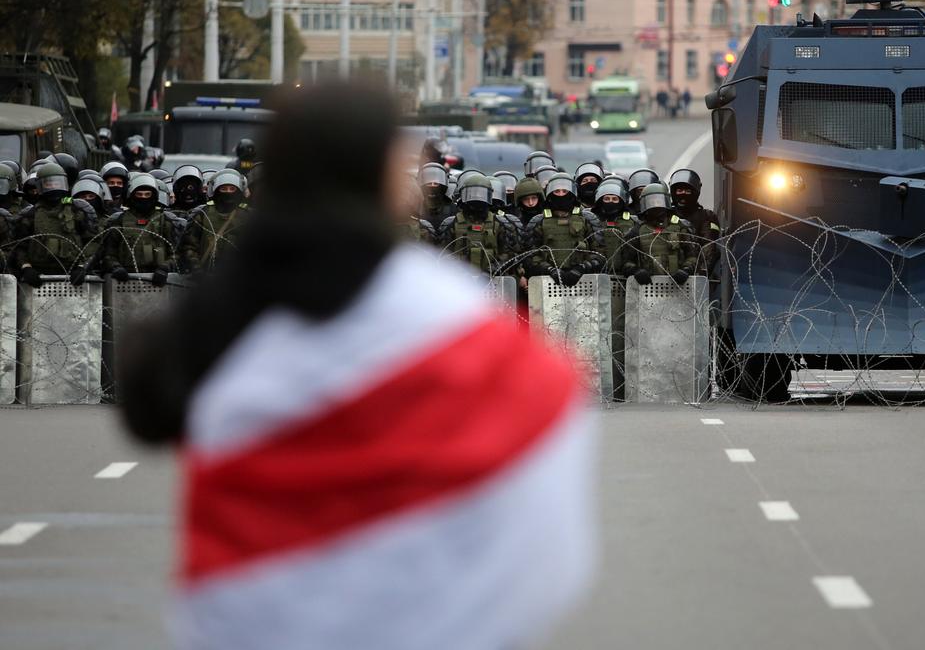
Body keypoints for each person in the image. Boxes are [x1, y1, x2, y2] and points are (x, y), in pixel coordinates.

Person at [117, 82, 594, 650]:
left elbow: (149, 408)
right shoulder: (443, 304)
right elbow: (541, 434)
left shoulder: (234, 298)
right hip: (427, 621)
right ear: (389, 180)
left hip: (265, 621)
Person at [9, 162, 99, 286]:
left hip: (72, 273)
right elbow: (19, 246)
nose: (53, 187)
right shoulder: (31, 215)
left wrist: (82, 267)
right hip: (40, 275)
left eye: (57, 183)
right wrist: (26, 267)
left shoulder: (76, 211)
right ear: (40, 186)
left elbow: (93, 242)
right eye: (48, 184)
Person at [100, 172, 181, 286]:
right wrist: (116, 267)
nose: (143, 198)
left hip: (158, 280)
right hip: (126, 281)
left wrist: (165, 268)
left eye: (147, 195)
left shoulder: (165, 221)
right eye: (139, 194)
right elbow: (108, 253)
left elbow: (176, 253)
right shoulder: (119, 221)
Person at [524, 173, 603, 286]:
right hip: (547, 282)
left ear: (572, 194)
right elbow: (530, 256)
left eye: (564, 191)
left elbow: (600, 254)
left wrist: (581, 268)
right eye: (557, 192)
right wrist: (550, 270)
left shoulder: (587, 219)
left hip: (584, 282)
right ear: (550, 194)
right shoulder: (538, 221)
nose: (561, 195)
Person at [438, 174, 522, 276]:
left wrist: (492, 270)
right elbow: (442, 255)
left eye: (481, 194)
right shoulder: (451, 224)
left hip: (494, 279)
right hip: (458, 281)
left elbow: (509, 254)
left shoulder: (500, 223)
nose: (477, 198)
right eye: (473, 193)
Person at [620, 182, 697, 286]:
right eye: (651, 201)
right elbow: (626, 261)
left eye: (659, 201)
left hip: (677, 286)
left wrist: (686, 269)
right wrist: (636, 271)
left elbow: (693, 256)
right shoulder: (637, 230)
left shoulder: (679, 227)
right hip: (648, 287)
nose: (656, 204)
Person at [179, 169, 248, 273]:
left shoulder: (248, 216)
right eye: (224, 189)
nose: (228, 192)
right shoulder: (203, 214)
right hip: (206, 275)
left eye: (232, 188)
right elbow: (189, 246)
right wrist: (196, 268)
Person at [668, 168, 720, 277]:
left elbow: (709, 247)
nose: (683, 194)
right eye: (679, 190)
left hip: (695, 274)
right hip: (667, 272)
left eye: (687, 191)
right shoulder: (665, 214)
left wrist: (699, 274)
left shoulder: (706, 216)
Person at [589, 176, 638, 274]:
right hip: (598, 273)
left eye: (615, 199)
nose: (610, 202)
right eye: (606, 199)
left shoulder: (633, 221)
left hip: (624, 273)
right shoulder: (591, 220)